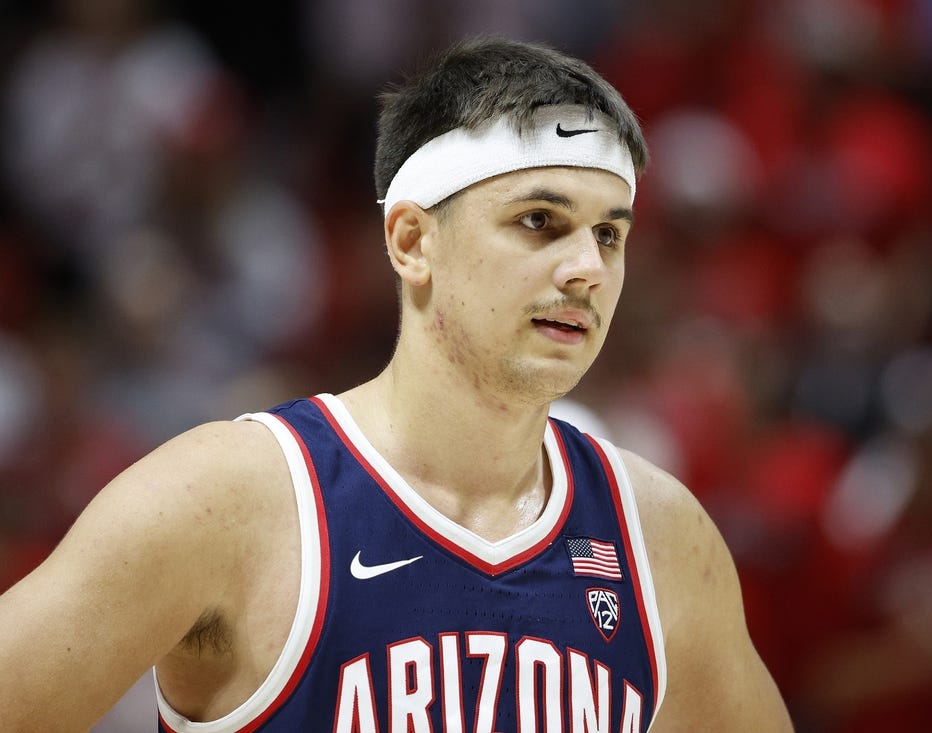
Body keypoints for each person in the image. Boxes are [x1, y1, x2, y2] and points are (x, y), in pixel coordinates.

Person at [0, 36, 793, 732]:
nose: (588, 267)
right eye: (540, 221)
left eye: (609, 233)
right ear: (413, 239)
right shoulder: (228, 500)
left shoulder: (660, 537)